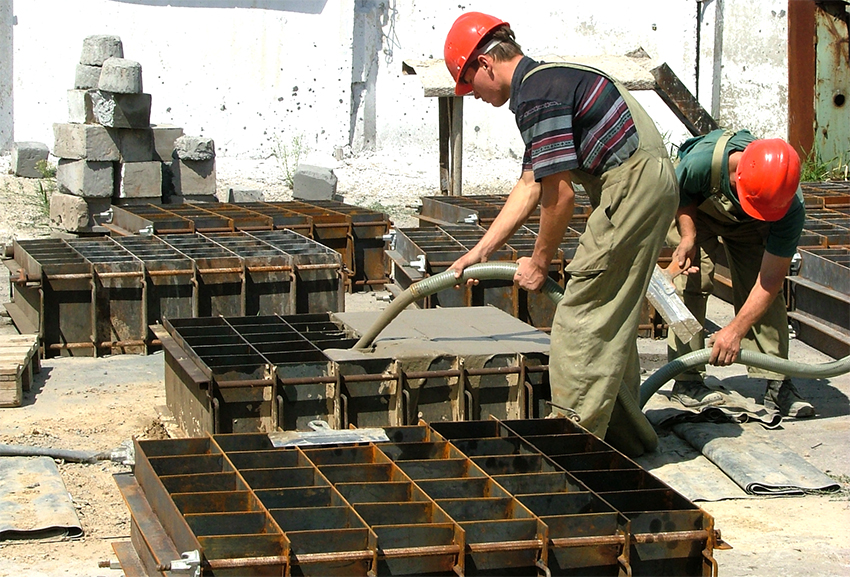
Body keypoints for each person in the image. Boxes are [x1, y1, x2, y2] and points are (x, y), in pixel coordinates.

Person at [443, 12, 678, 456]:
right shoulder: (544, 83)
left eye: (468, 81)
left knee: (579, 314)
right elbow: (531, 183)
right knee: (611, 313)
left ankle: (572, 444)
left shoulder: (536, 94)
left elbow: (561, 195)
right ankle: (625, 438)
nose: (471, 94)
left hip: (632, 185)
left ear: (487, 64)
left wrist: (539, 261)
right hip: (645, 180)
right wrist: (480, 251)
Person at [667, 128, 814, 418]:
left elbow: (770, 280)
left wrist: (735, 330)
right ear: (738, 176)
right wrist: (688, 237)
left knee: (760, 292)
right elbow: (682, 196)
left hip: (752, 227)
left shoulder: (789, 204)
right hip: (700, 213)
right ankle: (686, 379)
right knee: (693, 279)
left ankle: (776, 380)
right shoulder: (701, 163)